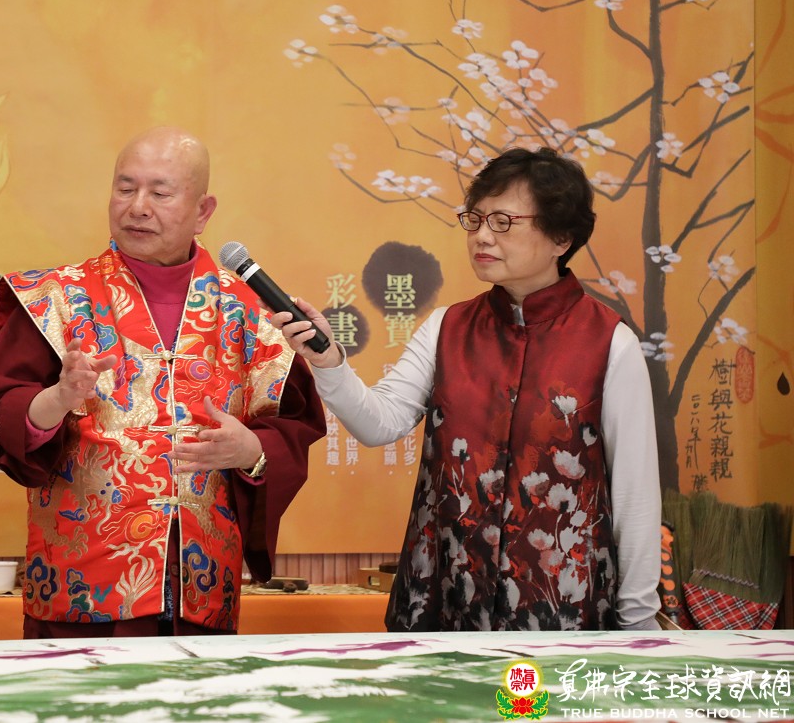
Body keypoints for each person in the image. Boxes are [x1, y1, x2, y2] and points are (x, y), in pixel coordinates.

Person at [274, 146, 661, 632]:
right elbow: (380, 423)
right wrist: (329, 360)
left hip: (562, 609)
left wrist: (638, 624)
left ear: (561, 237)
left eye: (503, 222)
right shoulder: (447, 327)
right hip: (446, 598)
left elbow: (634, 496)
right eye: (475, 219)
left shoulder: (610, 343)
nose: (482, 236)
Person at [0, 126, 326, 638]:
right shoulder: (54, 299)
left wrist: (251, 449)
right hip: (80, 589)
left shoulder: (255, 314)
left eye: (160, 193)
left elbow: (293, 429)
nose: (137, 207)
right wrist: (57, 398)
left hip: (200, 591)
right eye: (125, 188)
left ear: (203, 212)